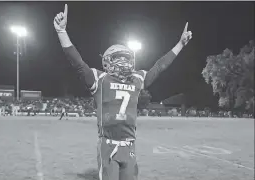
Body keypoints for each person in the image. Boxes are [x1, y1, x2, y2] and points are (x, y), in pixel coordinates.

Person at [54, 4, 192, 180]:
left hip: (127, 146)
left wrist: (180, 44)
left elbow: (160, 67)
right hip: (110, 145)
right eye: (119, 59)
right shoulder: (111, 80)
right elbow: (78, 63)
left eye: (123, 59)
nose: (122, 62)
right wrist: (61, 32)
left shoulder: (119, 79)